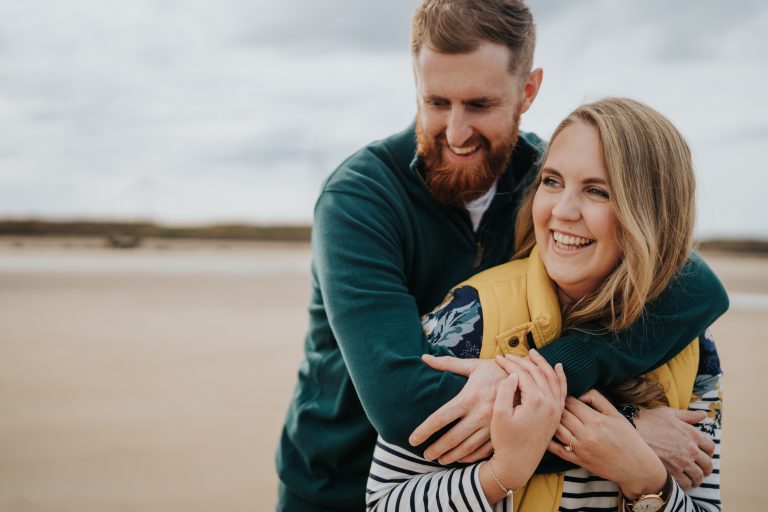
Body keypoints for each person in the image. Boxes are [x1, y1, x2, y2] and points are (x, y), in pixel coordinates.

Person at [275, 1, 728, 510]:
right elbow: (404, 403)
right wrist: (622, 433)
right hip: (336, 482)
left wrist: (561, 371)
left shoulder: (547, 180)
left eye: (480, 104)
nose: (455, 132)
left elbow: (697, 288)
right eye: (437, 101)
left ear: (528, 91)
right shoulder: (358, 201)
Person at [366, 97, 723, 511]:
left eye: (597, 191)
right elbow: (384, 504)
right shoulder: (468, 319)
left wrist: (645, 480)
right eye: (552, 182)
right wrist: (502, 474)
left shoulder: (693, 344)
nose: (562, 210)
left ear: (652, 214)